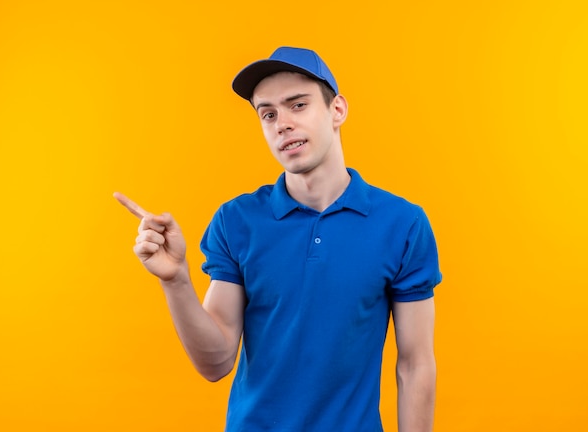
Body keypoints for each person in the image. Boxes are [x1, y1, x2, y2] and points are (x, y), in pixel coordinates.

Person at [114, 46, 442, 432]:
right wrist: (176, 281)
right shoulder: (236, 221)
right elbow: (216, 362)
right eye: (267, 114)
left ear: (337, 110)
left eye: (297, 105)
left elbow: (415, 365)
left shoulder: (402, 224)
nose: (281, 123)